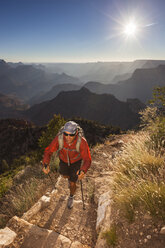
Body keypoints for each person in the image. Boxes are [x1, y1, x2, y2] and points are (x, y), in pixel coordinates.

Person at [42, 121, 91, 209]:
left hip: (76, 162)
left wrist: (83, 170)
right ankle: (69, 178)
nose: (68, 137)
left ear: (76, 133)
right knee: (64, 175)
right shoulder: (59, 139)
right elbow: (48, 151)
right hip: (63, 160)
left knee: (73, 183)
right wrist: (46, 164)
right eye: (66, 134)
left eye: (71, 135)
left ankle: (71, 196)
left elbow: (87, 159)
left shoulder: (82, 142)